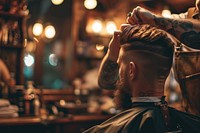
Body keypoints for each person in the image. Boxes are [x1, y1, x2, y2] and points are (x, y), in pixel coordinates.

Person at [84, 24, 200, 133]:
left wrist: (111, 53)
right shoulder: (192, 124)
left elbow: (106, 83)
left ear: (131, 70)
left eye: (119, 65)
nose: (118, 72)